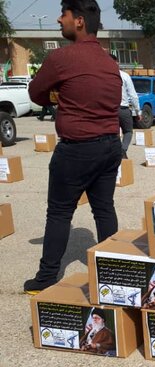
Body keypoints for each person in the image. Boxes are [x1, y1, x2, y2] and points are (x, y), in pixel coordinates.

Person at [24, 0, 122, 294]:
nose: (58, 20)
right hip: (110, 145)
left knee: (59, 212)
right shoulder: (110, 62)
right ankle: (112, 273)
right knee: (104, 209)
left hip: (77, 148)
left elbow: (35, 93)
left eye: (63, 14)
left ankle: (46, 278)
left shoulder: (61, 58)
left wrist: (55, 97)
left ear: (78, 21)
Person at [110, 54, 141, 159]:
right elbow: (133, 95)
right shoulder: (124, 75)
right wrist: (138, 111)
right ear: (117, 63)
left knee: (114, 133)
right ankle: (122, 150)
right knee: (128, 131)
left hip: (109, 110)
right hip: (123, 108)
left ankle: (118, 151)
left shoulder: (102, 76)